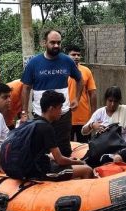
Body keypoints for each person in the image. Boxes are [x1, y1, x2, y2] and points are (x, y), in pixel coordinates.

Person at [21, 29, 83, 157]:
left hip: (63, 115)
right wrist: (24, 113)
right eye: (52, 42)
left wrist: (77, 98)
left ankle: (65, 173)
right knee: (41, 150)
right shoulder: (33, 63)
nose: (56, 45)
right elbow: (26, 88)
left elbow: (80, 79)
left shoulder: (67, 61)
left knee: (64, 149)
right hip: (41, 115)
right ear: (44, 43)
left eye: (58, 43)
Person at [28, 90, 93, 180]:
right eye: (60, 107)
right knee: (87, 169)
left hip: (31, 167)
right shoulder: (46, 128)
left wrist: (69, 160)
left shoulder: (33, 123)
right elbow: (60, 160)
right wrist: (79, 163)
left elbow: (41, 153)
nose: (61, 111)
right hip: (42, 171)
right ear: (51, 109)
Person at [66, 45, 97, 143]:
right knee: (67, 148)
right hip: (66, 117)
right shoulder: (61, 71)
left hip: (84, 118)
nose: (76, 57)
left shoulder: (86, 71)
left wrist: (94, 115)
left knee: (84, 147)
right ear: (67, 56)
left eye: (78, 55)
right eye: (73, 54)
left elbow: (92, 93)